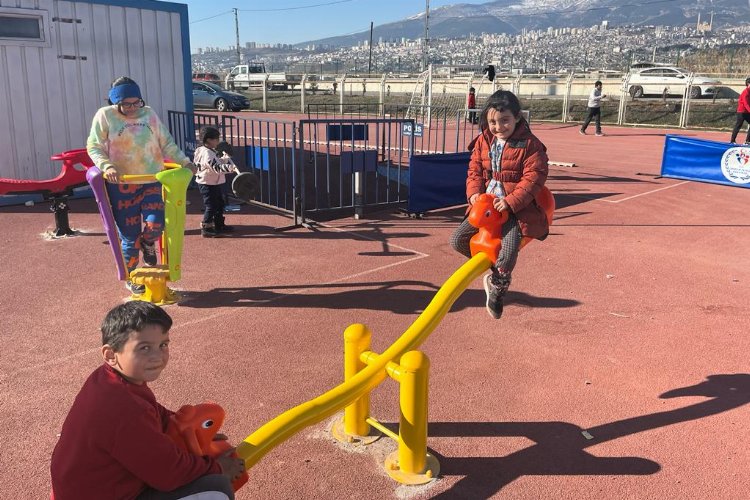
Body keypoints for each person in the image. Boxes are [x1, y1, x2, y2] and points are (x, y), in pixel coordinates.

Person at [50, 301, 245, 499]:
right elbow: (169, 473)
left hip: (83, 490)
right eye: (144, 348)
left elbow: (153, 412)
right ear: (110, 355)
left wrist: (193, 432)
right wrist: (218, 467)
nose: (157, 356)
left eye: (163, 345)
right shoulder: (124, 409)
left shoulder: (108, 380)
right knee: (216, 488)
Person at [87, 76, 197, 295]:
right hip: (122, 185)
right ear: (114, 102)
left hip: (151, 181)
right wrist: (106, 166)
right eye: (126, 104)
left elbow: (166, 142)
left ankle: (148, 243)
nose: (132, 107)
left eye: (136, 102)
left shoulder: (149, 114)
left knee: (156, 225)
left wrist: (185, 161)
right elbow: (94, 146)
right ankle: (131, 277)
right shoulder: (105, 115)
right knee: (129, 237)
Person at [449, 90, 550, 319]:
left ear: (517, 117)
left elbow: (534, 178)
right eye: (493, 121)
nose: (498, 126)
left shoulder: (530, 145)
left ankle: (498, 286)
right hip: (486, 203)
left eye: (505, 120)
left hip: (513, 206)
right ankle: (493, 270)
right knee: (457, 240)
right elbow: (474, 170)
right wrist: (474, 193)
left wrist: (511, 202)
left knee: (509, 248)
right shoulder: (484, 140)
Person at [194, 126, 240, 237]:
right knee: (211, 206)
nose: (218, 141)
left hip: (212, 182)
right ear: (209, 140)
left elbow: (214, 163)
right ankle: (206, 227)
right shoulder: (207, 153)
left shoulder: (204, 150)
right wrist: (230, 168)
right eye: (216, 139)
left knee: (219, 203)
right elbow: (216, 167)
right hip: (207, 183)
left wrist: (224, 159)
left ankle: (219, 224)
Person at [729, 77, 750, 144]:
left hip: (747, 112)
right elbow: (746, 103)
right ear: (748, 84)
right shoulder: (745, 92)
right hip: (741, 112)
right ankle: (732, 141)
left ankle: (747, 141)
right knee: (738, 126)